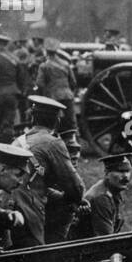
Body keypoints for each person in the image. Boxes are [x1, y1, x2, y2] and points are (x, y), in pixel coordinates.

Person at [9, 95, 84, 247]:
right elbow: (75, 187)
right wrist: (75, 200)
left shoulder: (18, 141)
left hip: (7, 204)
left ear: (32, 119)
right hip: (28, 208)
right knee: (39, 258)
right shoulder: (52, 142)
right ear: (57, 121)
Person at [72, 153, 132, 238]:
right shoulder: (101, 198)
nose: (126, 176)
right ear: (107, 174)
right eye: (120, 171)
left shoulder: (113, 191)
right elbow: (106, 240)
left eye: (128, 171)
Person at [34, 40, 78, 133]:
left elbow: (39, 84)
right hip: (67, 96)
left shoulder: (44, 66)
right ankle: (75, 141)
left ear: (46, 51)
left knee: (52, 123)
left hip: (52, 97)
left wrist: (42, 95)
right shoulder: (66, 64)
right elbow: (73, 82)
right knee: (71, 122)